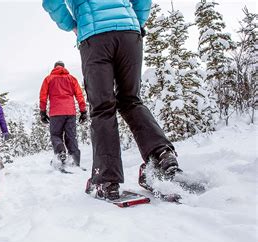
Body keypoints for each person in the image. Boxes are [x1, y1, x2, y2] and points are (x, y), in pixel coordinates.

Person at [42, 0, 179, 200]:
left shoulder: (50, 78)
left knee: (102, 108)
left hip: (95, 37)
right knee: (130, 100)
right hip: (130, 35)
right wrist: (136, 22)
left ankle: (106, 179)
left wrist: (72, 25)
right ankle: (161, 155)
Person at [39, 61, 87, 168]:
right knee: (71, 136)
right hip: (70, 112)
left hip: (56, 113)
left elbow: (43, 96)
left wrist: (42, 112)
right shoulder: (71, 79)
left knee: (55, 135)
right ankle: (75, 160)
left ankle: (61, 153)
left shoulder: (48, 79)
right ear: (64, 68)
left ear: (54, 67)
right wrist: (83, 111)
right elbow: (79, 95)